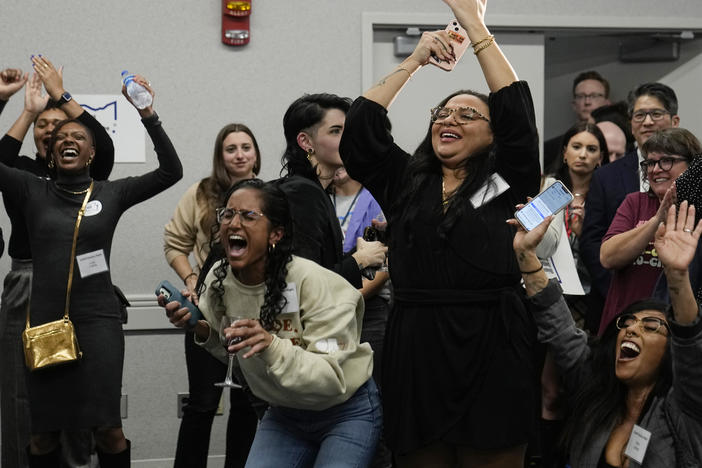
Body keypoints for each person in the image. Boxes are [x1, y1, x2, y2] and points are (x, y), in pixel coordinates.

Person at [340, 0, 541, 465]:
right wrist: (413, 61)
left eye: (468, 115)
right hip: (418, 346)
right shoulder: (408, 179)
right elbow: (361, 130)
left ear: (492, 137)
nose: (449, 119)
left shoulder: (508, 180)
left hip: (494, 341)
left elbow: (516, 113)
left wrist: (474, 26)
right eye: (442, 113)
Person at [0, 55, 182, 467]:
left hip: (98, 321)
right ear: (50, 152)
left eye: (79, 137)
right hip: (44, 321)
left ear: (91, 152)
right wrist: (10, 105)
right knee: (43, 434)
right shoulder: (32, 189)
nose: (68, 139)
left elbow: (172, 170)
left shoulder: (111, 193)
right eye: (60, 135)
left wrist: (147, 113)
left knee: (108, 430)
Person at [162, 179, 382, 467]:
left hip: (345, 412)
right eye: (228, 214)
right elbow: (229, 346)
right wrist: (198, 326)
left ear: (275, 233)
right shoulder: (220, 279)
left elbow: (331, 375)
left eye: (249, 216)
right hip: (285, 414)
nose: (233, 222)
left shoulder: (313, 282)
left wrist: (271, 345)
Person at [510, 201, 702, 467]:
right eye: (628, 323)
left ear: (672, 350)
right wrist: (526, 254)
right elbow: (559, 326)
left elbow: (690, 348)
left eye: (649, 327)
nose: (632, 329)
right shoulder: (596, 387)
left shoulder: (685, 409)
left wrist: (678, 275)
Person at [0, 61, 115, 468]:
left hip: (83, 287)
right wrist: (26, 109)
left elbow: (104, 144)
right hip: (29, 281)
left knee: (80, 397)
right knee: (25, 396)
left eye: (59, 124)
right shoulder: (23, 174)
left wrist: (65, 97)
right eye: (42, 126)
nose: (51, 130)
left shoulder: (88, 174)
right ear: (34, 134)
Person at [163, 123, 261, 467]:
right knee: (203, 403)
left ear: (256, 154)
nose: (239, 154)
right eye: (231, 148)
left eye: (246, 147)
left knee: (249, 406)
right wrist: (190, 276)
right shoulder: (202, 193)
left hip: (253, 309)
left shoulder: (270, 194)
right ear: (221, 156)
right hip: (209, 310)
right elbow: (175, 244)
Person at [580, 82, 680, 327]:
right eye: (639, 115)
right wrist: (617, 285)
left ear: (674, 121)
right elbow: (592, 239)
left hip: (674, 300)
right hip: (615, 298)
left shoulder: (691, 175)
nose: (647, 122)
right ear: (630, 123)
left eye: (655, 114)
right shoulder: (606, 175)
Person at [278, 93, 386, 288]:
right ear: (306, 142)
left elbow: (322, 266)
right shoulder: (302, 193)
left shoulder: (316, 190)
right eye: (336, 131)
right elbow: (306, 283)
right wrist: (361, 259)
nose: (348, 139)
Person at [599, 128, 700, 334]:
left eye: (666, 161)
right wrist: (656, 220)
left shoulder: (697, 215)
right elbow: (608, 257)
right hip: (621, 326)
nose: (655, 170)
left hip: (674, 332)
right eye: (650, 163)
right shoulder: (635, 202)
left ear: (691, 166)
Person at [543, 70, 611, 172]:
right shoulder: (551, 148)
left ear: (607, 103)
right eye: (581, 96)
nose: (587, 102)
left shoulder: (616, 144)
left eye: (594, 96)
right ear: (574, 104)